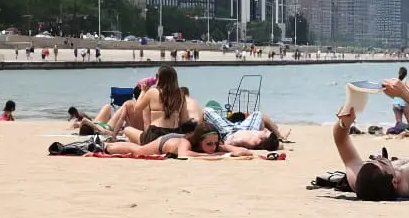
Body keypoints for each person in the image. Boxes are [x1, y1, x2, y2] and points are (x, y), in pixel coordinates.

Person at [123, 65, 190, 144]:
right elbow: (185, 120)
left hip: (155, 134)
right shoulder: (180, 94)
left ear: (159, 78)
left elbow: (137, 109)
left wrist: (143, 91)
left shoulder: (153, 92)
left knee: (127, 129)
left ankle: (142, 147)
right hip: (173, 134)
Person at [105, 122, 252, 157]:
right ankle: (107, 147)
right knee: (139, 151)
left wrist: (228, 150)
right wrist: (212, 155)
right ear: (199, 141)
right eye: (209, 144)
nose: (213, 147)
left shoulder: (215, 145)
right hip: (166, 142)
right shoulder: (187, 142)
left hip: (175, 141)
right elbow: (184, 155)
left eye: (214, 143)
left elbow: (245, 152)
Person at [202, 107, 282, 151]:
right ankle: (281, 136)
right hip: (247, 129)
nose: (265, 130)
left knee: (207, 111)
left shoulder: (250, 142)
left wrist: (231, 142)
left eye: (266, 133)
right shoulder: (258, 138)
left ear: (259, 141)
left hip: (229, 131)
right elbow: (278, 145)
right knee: (258, 113)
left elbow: (228, 143)